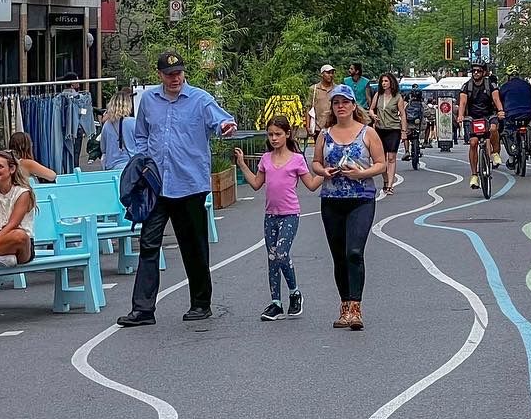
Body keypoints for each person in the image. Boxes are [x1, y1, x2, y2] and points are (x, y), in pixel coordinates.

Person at [117, 51, 237, 328]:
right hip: (156, 185)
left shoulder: (200, 99)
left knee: (193, 246)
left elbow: (221, 121)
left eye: (179, 73)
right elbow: (142, 135)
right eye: (170, 74)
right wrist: (144, 163)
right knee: (148, 244)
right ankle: (143, 309)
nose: (175, 78)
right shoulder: (148, 100)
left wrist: (226, 127)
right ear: (159, 75)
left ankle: (200, 303)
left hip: (189, 185)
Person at [234, 116, 326, 320]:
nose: (274, 138)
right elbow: (257, 184)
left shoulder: (296, 159)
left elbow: (311, 184)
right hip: (271, 216)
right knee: (272, 259)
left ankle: (294, 292)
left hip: (289, 214)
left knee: (282, 254)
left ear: (287, 134)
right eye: (270, 134)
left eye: (278, 134)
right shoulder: (266, 159)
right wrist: (241, 164)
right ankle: (276, 302)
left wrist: (326, 173)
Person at [312, 86, 384, 330]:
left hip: (361, 198)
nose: (340, 106)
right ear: (332, 108)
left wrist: (361, 173)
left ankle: (356, 308)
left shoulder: (368, 133)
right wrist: (324, 171)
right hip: (332, 199)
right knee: (338, 255)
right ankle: (344, 305)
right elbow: (316, 163)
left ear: (354, 105)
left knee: (354, 251)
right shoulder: (325, 134)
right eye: (336, 103)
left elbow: (382, 164)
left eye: (345, 102)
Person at [458, 62, 502, 189]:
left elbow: (496, 99)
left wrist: (500, 111)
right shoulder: (467, 86)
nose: (476, 73)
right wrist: (461, 115)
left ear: (484, 72)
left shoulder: (490, 85)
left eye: (478, 71)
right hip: (473, 117)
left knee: (493, 129)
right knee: (473, 143)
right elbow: (463, 102)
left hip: (488, 115)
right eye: (474, 71)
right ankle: (474, 175)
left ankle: (495, 153)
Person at [368, 72, 407, 196]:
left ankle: (390, 185)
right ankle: (385, 180)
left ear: (391, 83)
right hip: (380, 129)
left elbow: (402, 114)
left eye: (386, 81)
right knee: (382, 159)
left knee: (391, 157)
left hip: (393, 129)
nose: (384, 84)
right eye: (382, 82)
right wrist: (373, 115)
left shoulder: (398, 97)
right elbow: (371, 109)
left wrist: (404, 131)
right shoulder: (378, 95)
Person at [497, 67, 531, 164]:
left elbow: (499, 100)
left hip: (511, 114)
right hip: (527, 113)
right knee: (527, 127)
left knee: (507, 132)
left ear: (508, 77)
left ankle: (511, 157)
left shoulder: (505, 86)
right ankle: (527, 146)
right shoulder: (527, 85)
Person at [100, 88, 138, 172]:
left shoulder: (107, 125)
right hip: (129, 166)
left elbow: (103, 148)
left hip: (111, 166)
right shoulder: (132, 122)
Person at [308, 65, 341, 144]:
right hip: (318, 127)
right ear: (322, 74)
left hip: (334, 125)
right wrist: (308, 126)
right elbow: (308, 108)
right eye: (328, 73)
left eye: (332, 73)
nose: (331, 75)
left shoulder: (337, 88)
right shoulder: (314, 89)